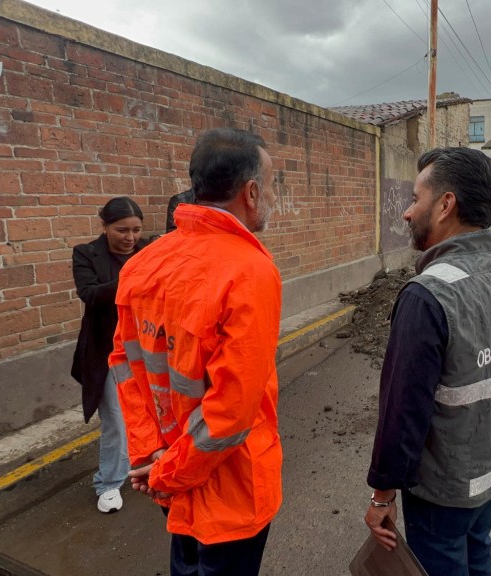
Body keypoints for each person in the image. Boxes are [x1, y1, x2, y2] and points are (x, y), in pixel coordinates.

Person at [109, 128, 282, 576]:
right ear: (251, 191)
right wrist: (165, 472)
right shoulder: (249, 271)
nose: (272, 196)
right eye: (272, 184)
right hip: (228, 490)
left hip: (172, 477)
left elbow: (126, 369)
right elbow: (231, 415)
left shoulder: (143, 263)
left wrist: (150, 458)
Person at [364, 147, 491, 576]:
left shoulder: (428, 296)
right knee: (478, 552)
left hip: (444, 489)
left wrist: (382, 497)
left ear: (445, 205)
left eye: (415, 198)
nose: (406, 213)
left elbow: (402, 413)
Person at [70, 197, 147, 514]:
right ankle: (109, 483)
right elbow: (89, 294)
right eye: (121, 230)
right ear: (104, 226)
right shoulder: (86, 254)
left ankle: (150, 466)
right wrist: (133, 279)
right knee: (116, 420)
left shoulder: (148, 251)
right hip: (107, 352)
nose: (130, 238)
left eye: (136, 230)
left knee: (154, 413)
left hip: (148, 349)